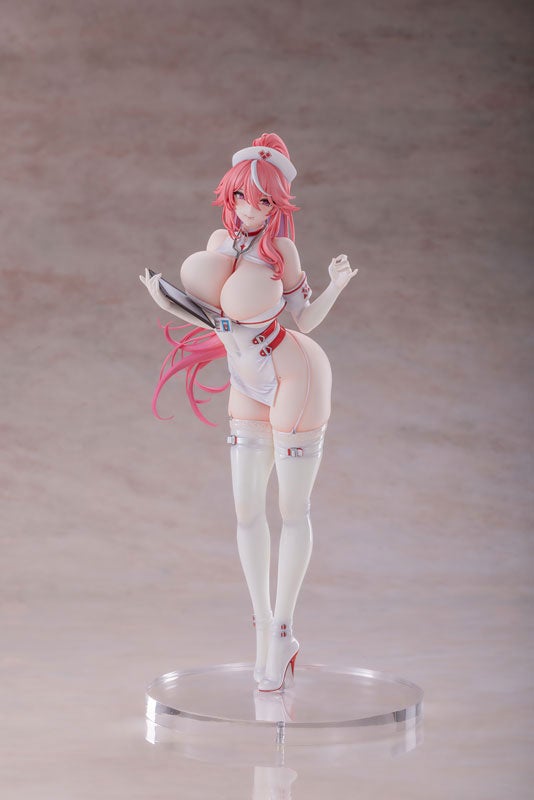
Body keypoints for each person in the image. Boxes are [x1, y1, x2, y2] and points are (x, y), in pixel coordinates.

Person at [140, 133, 357, 692]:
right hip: (245, 379)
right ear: (229, 195)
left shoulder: (281, 253)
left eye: (264, 201)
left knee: (292, 509)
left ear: (277, 204)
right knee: (245, 511)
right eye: (242, 197)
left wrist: (337, 286)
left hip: (292, 373)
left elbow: (304, 320)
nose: (250, 209)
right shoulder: (220, 242)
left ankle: (284, 629)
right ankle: (263, 632)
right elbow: (209, 317)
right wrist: (164, 298)